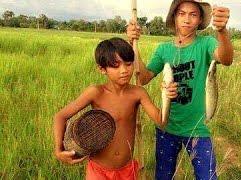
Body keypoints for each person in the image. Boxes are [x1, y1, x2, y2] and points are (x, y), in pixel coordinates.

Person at [127, 0, 233, 179]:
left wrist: (222, 31)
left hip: (197, 129)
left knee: (207, 176)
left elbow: (226, 58)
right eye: (182, 14)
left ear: (200, 20)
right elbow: (143, 78)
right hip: (166, 128)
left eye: (193, 15)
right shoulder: (163, 49)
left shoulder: (206, 43)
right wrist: (132, 43)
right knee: (163, 176)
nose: (187, 19)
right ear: (174, 17)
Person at [53, 37, 176, 180]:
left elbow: (161, 120)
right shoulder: (96, 92)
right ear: (102, 69)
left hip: (127, 170)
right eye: (115, 66)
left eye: (128, 64)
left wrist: (167, 96)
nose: (124, 70)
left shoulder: (138, 93)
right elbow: (60, 116)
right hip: (98, 170)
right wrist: (58, 150)